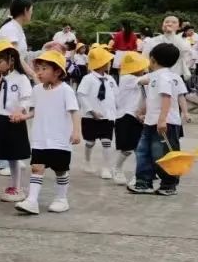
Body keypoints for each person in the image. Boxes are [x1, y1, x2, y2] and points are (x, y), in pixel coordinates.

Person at [15, 51, 81, 216]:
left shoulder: (66, 90)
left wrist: (76, 131)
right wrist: (24, 116)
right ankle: (32, 201)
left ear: (57, 71)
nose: (39, 72)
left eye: (44, 69)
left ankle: (61, 199)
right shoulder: (37, 89)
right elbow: (36, 110)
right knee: (36, 167)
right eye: (38, 68)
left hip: (60, 139)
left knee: (60, 170)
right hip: (40, 138)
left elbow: (74, 111)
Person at [128, 43, 187, 196]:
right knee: (144, 152)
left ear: (152, 59)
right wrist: (142, 112)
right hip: (150, 122)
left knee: (163, 154)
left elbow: (166, 98)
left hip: (164, 123)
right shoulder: (156, 77)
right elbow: (150, 95)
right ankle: (143, 182)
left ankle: (168, 184)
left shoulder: (164, 78)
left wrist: (162, 120)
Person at [0, 41, 32, 204]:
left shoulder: (21, 79)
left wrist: (20, 111)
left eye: (0, 61)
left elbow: (27, 98)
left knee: (14, 155)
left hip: (13, 119)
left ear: (11, 60)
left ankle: (16, 186)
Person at [76, 46, 118, 180]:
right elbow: (81, 95)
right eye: (107, 61)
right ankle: (87, 161)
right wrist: (91, 110)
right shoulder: (88, 79)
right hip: (90, 117)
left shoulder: (110, 79)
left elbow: (116, 96)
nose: (110, 64)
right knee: (90, 141)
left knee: (107, 141)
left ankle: (106, 167)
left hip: (108, 116)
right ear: (101, 64)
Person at [111, 51, 148, 185]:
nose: (144, 69)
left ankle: (138, 175)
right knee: (126, 149)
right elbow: (146, 79)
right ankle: (117, 168)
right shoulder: (127, 78)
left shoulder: (140, 81)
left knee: (140, 148)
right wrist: (161, 74)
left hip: (137, 117)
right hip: (125, 117)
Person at [0, 0, 35, 78]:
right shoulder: (11, 29)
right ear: (25, 10)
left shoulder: (16, 28)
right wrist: (33, 75)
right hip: (8, 79)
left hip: (14, 77)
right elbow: (16, 58)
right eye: (31, 10)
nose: (32, 13)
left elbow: (23, 56)